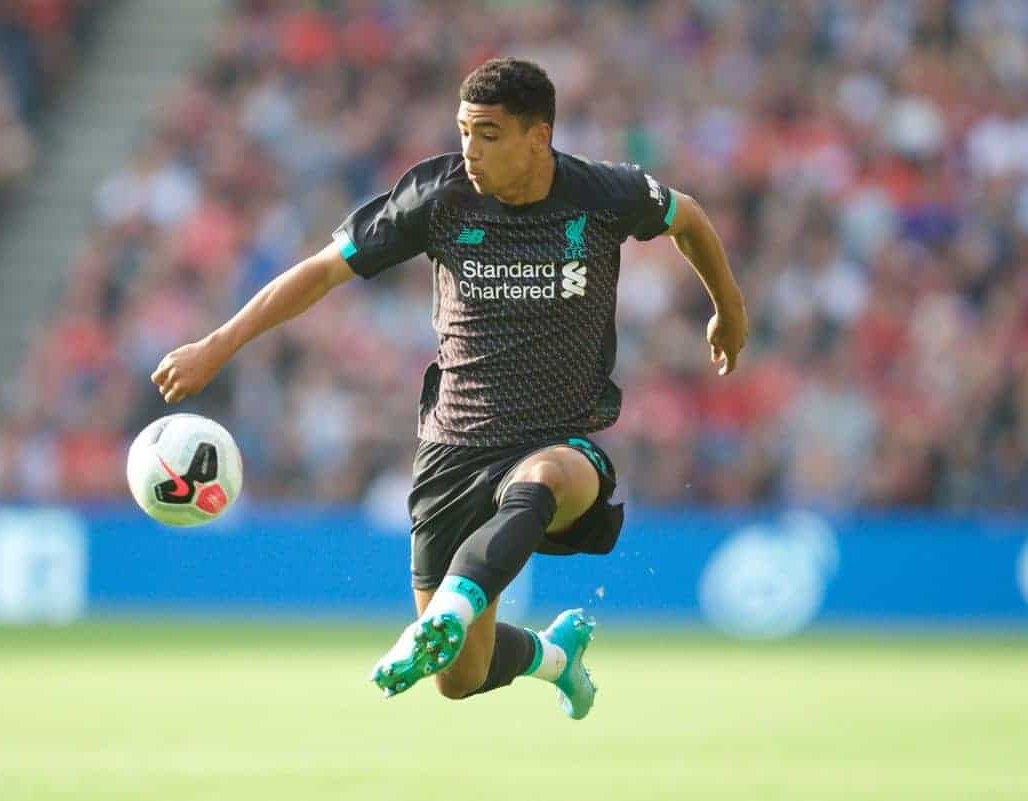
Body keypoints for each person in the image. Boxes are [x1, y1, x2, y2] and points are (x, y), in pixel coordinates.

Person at [151, 58, 748, 719]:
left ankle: (451, 611)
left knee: (546, 476)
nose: (470, 149)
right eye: (464, 130)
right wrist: (218, 344)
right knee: (459, 676)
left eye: (488, 134)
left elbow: (688, 217)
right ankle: (554, 658)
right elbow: (322, 272)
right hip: (453, 447)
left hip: (557, 442)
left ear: (537, 136)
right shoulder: (436, 197)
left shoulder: (603, 195)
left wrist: (729, 306)